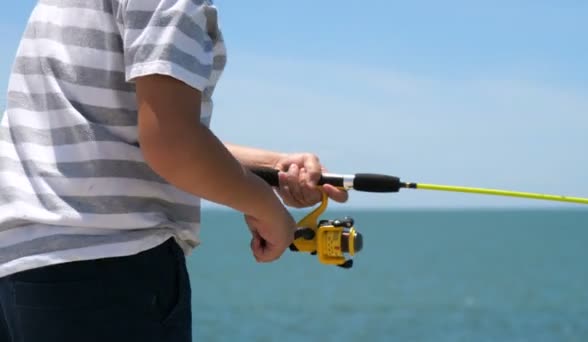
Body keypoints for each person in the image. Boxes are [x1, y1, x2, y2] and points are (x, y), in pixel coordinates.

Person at [0, 0, 348, 341]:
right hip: (111, 269)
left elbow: (145, 134)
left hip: (19, 272)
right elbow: (172, 144)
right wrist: (266, 208)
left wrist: (272, 168)